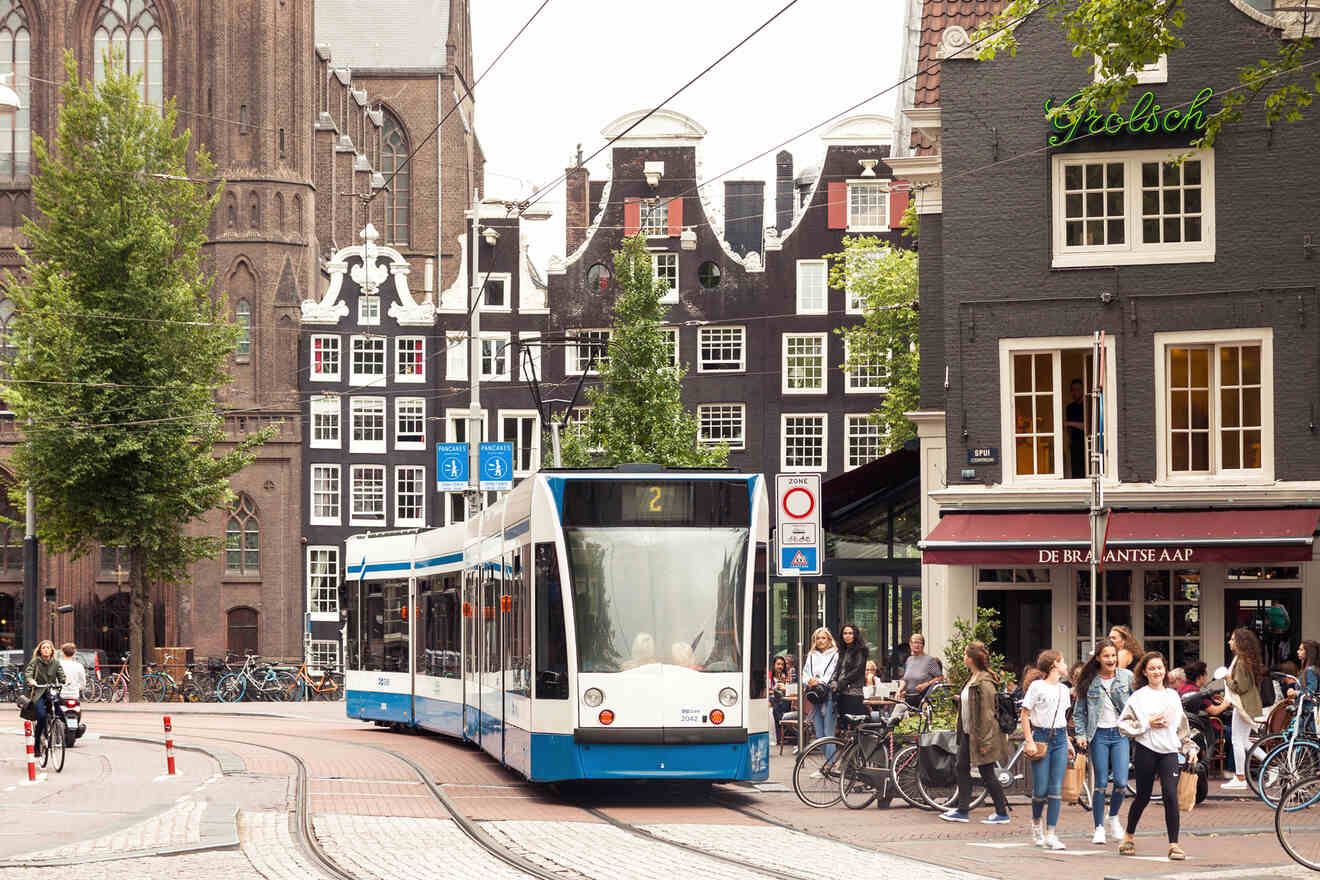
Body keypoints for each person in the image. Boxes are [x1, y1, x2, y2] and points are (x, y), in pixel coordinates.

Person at [1116, 651, 1196, 860]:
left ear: (1165, 670)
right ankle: (1128, 835)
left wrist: (1189, 748)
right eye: (1151, 668)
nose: (1156, 672)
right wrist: (1147, 724)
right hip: (1146, 750)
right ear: (1144, 671)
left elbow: (1182, 726)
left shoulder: (1172, 696)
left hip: (1169, 751)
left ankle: (1174, 845)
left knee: (1171, 795)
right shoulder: (1138, 696)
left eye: (1160, 668)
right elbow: (1123, 725)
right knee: (1142, 796)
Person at [939, 641, 1011, 825]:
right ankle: (963, 810)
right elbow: (972, 703)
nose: (963, 657)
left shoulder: (983, 682)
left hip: (979, 736)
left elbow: (987, 715)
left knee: (986, 773)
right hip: (968, 733)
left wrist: (986, 742)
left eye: (964, 654)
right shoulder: (973, 677)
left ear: (970, 659)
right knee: (961, 767)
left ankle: (1001, 813)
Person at [1073, 642, 1133, 844]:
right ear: (1098, 657)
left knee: (1121, 783)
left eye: (1113, 656)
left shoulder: (1126, 677)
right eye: (1106, 656)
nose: (1111, 660)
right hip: (1098, 734)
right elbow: (1079, 712)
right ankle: (1098, 827)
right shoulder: (1089, 680)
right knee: (1099, 783)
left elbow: (1137, 702)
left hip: (1120, 733)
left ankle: (1113, 817)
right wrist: (1080, 734)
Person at [1022, 649, 1074, 850]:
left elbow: (1062, 718)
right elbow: (1025, 714)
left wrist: (1068, 743)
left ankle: (1051, 832)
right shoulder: (1037, 687)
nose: (1066, 666)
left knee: (1055, 789)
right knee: (1041, 789)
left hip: (1060, 738)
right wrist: (1029, 740)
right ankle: (1036, 823)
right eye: (1062, 662)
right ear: (1054, 665)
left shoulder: (1064, 690)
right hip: (1041, 738)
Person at [1222, 627, 1265, 790]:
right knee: (1244, 741)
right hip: (1247, 704)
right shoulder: (1244, 659)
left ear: (1239, 642)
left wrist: (1227, 677)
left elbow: (1241, 687)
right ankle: (1272, 763)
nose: (1229, 642)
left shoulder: (1240, 661)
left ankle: (1240, 778)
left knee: (1236, 741)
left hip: (1242, 705)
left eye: (1232, 639)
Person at [1181, 660, 1232, 778]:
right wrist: (1226, 701)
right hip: (1202, 727)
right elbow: (1215, 711)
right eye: (1206, 674)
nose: (1207, 677)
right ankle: (1230, 770)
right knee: (1231, 733)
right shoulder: (1197, 693)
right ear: (1200, 676)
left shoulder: (1184, 687)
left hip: (1188, 725)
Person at [23, 640, 66, 759]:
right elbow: (28, 673)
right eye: (44, 648)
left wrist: (65, 681)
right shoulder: (35, 661)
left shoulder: (56, 662)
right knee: (41, 716)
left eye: (48, 648)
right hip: (38, 692)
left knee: (60, 713)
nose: (46, 649)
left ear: (52, 650)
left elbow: (61, 675)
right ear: (40, 650)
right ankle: (37, 744)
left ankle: (60, 734)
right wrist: (31, 680)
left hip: (50, 691)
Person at [803, 627, 839, 764]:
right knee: (819, 734)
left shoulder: (835, 654)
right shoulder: (811, 655)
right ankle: (830, 763)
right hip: (815, 694)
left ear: (829, 639)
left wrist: (820, 681)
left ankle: (830, 765)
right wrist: (809, 680)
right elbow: (805, 672)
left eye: (823, 638)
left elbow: (833, 672)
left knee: (828, 731)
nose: (820, 641)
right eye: (818, 638)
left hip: (828, 694)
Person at [895, 633, 943, 706]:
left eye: (919, 643)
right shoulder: (909, 660)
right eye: (914, 642)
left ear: (923, 645)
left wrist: (925, 684)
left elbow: (940, 677)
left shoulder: (929, 660)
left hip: (923, 700)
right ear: (910, 644)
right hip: (908, 698)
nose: (916, 645)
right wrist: (899, 690)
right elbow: (905, 679)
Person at [833, 623, 869, 717]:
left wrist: (842, 682)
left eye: (850, 633)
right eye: (845, 633)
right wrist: (834, 680)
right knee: (842, 723)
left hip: (853, 691)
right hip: (841, 691)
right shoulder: (842, 651)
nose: (847, 636)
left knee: (852, 723)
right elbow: (838, 669)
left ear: (855, 635)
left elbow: (858, 670)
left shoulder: (861, 650)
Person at [1065, 377, 1086, 479]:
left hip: (1085, 443)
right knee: (1076, 473)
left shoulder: (1087, 406)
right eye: (1073, 390)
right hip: (1074, 445)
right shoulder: (1070, 408)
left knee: (1085, 471)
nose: (1075, 392)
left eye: (1077, 389)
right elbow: (1068, 429)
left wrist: (1070, 423)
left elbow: (1088, 426)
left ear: (1082, 390)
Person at [769, 656, 791, 735]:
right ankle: (779, 733)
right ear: (773, 665)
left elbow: (791, 692)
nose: (780, 667)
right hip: (773, 701)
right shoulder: (769, 676)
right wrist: (774, 690)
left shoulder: (786, 676)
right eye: (778, 664)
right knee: (773, 703)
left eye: (782, 665)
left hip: (784, 702)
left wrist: (785, 687)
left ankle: (780, 733)